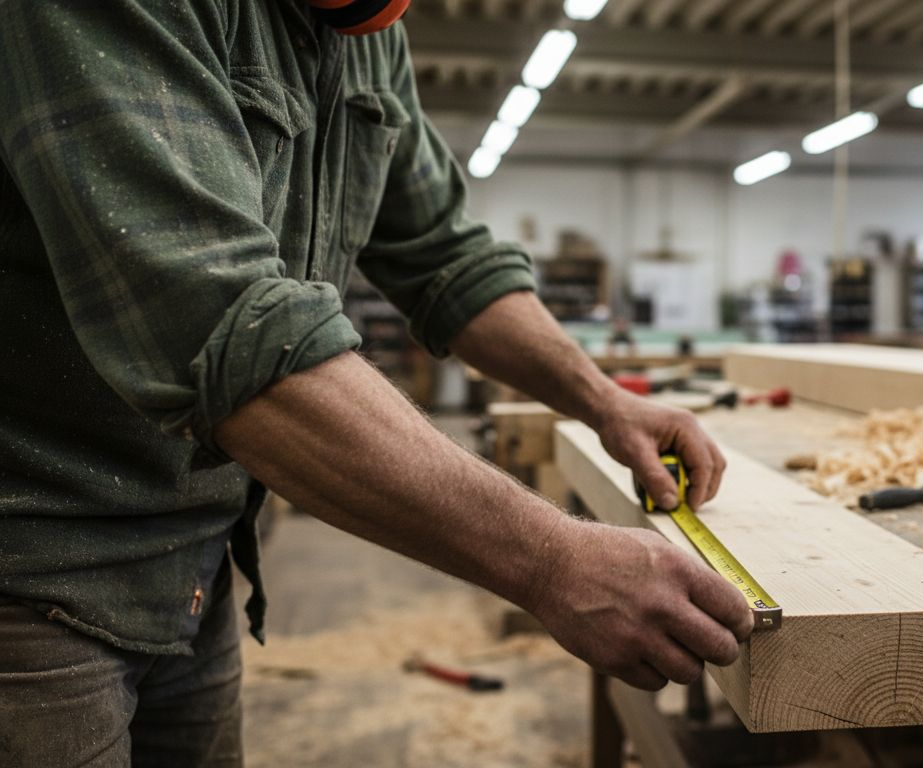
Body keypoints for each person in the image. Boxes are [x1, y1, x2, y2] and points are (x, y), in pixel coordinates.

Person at [0, 2, 750, 766]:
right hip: (36, 571)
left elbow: (446, 255)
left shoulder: (363, 36)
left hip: (196, 561)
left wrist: (604, 400)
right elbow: (216, 323)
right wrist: (552, 559)